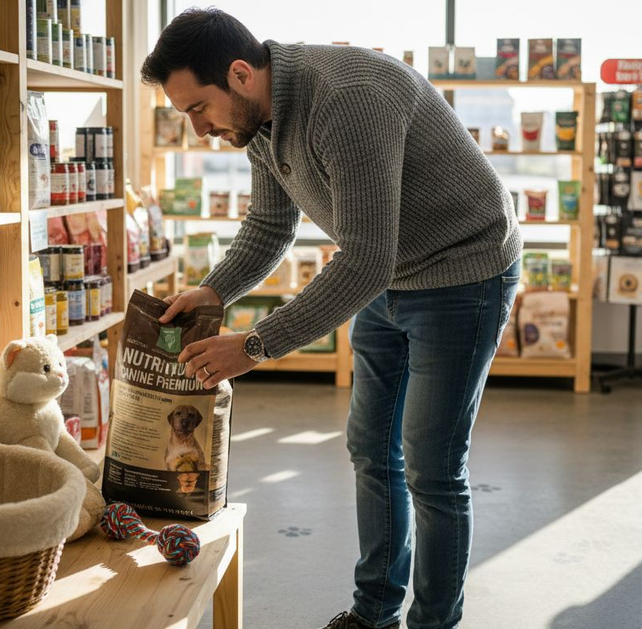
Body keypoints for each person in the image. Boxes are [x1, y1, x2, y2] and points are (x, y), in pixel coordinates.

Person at [145, 9, 521, 629]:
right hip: (390, 273)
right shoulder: (258, 121)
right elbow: (271, 226)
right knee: (371, 449)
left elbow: (366, 258)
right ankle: (375, 612)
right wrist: (213, 292)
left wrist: (257, 344)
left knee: (431, 464)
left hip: (464, 275)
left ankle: (433, 623)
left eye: (197, 109)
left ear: (240, 73)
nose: (197, 129)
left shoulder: (347, 98)